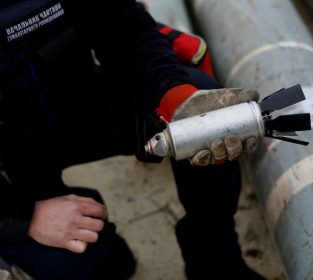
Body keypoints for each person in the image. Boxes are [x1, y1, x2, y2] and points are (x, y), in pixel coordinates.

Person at [0, 0, 265, 279]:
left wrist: (173, 97)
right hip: (9, 171)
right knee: (95, 265)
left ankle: (214, 260)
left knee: (205, 122)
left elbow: (129, 36)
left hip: (74, 108)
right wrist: (27, 218)